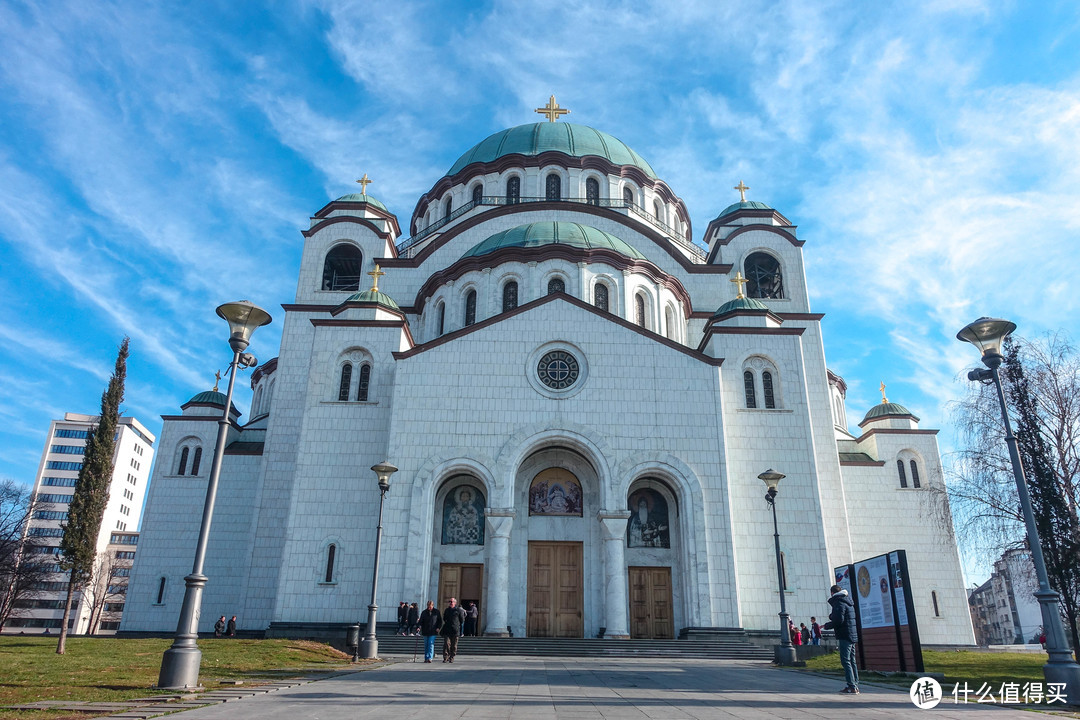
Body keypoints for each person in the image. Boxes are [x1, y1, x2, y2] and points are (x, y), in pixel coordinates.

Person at [824, 584, 859, 694]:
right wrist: (832, 616)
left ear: (832, 593)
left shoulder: (838, 602)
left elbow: (839, 620)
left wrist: (827, 626)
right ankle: (855, 684)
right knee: (852, 660)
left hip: (845, 635)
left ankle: (851, 686)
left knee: (845, 660)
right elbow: (842, 616)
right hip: (852, 634)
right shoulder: (848, 602)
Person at [441, 597, 466, 663]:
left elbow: (462, 620)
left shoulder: (458, 610)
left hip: (455, 630)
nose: (451, 603)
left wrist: (457, 625)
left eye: (452, 602)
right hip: (447, 629)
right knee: (446, 643)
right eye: (450, 601)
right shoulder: (447, 610)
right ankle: (446, 657)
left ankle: (452, 656)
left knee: (454, 645)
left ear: (455, 603)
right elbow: (444, 618)